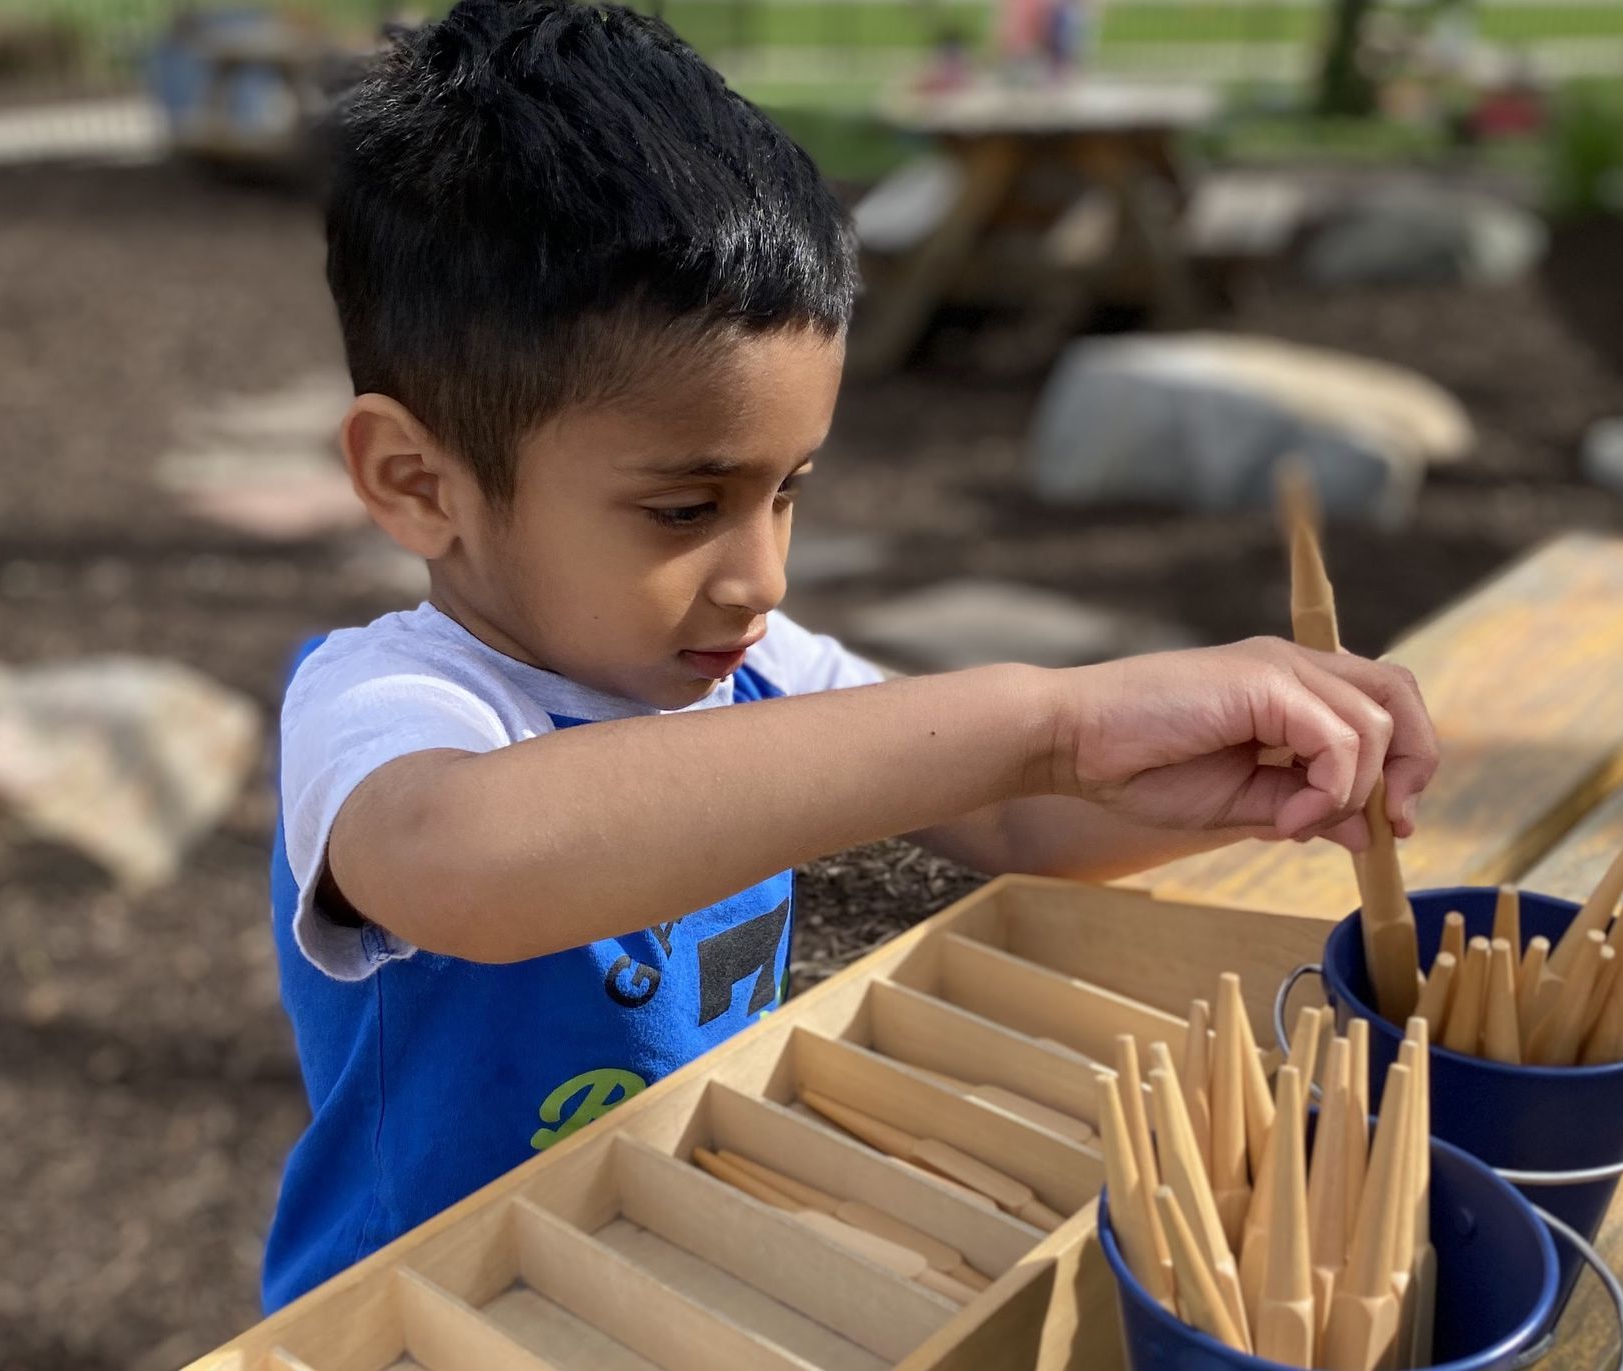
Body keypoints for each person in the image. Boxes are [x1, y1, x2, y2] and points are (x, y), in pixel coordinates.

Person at [262, 0, 1439, 1312]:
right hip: (415, 1322)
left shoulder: (753, 666)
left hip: (678, 1270)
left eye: (788, 491)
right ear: (419, 482)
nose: (761, 574)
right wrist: (1041, 718)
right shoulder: (388, 702)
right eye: (683, 509)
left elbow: (992, 805)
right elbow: (456, 863)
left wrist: (1194, 774)